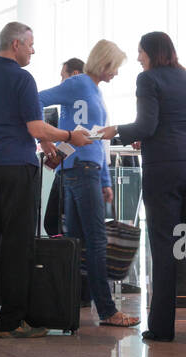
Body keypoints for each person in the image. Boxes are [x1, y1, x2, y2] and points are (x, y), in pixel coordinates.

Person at [0, 21, 92, 339]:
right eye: (30, 44)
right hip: (16, 170)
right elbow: (36, 129)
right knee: (16, 244)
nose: (33, 50)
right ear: (15, 45)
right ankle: (10, 322)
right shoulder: (23, 79)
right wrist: (70, 136)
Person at [103, 31, 186, 344]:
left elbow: (146, 126)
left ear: (150, 52)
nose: (139, 58)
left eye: (140, 52)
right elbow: (184, 125)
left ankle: (161, 328)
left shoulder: (149, 80)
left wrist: (115, 131)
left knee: (165, 246)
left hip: (167, 170)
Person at [37, 39, 138, 327]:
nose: (116, 73)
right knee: (95, 241)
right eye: (115, 67)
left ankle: (76, 303)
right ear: (104, 63)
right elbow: (35, 99)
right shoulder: (79, 84)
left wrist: (105, 178)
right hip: (80, 169)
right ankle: (107, 310)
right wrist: (46, 137)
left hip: (86, 169)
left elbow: (96, 140)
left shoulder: (92, 89)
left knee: (81, 242)